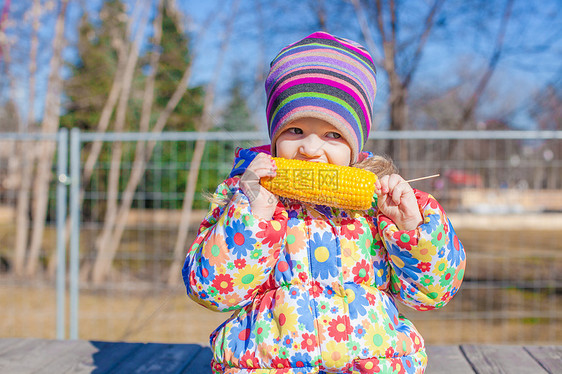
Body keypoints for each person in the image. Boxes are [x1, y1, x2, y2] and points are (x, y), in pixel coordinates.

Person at [183, 31, 466, 374]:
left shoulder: (379, 207)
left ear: (355, 145)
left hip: (373, 364)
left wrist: (410, 228)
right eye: (295, 131)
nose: (311, 149)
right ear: (274, 137)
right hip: (268, 365)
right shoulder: (244, 199)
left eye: (333, 135)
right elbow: (212, 290)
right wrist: (251, 212)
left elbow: (432, 293)